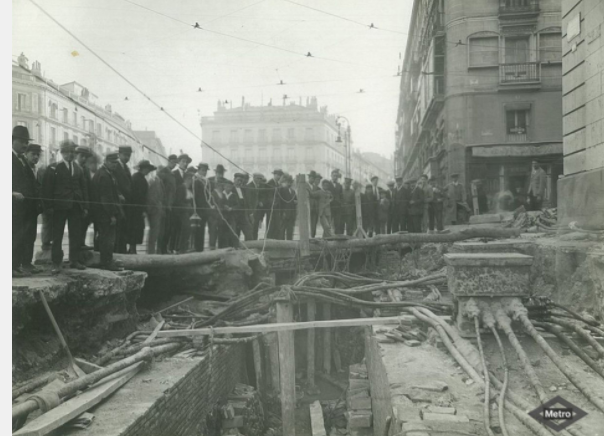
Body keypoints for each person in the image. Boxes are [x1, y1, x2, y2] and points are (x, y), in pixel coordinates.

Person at [42, 140, 89, 273]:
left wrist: (85, 206)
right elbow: (47, 189)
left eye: (73, 152)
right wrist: (49, 206)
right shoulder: (54, 168)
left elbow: (83, 188)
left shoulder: (78, 168)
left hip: (75, 206)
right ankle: (56, 262)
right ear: (62, 153)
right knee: (57, 235)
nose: (70, 155)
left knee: (76, 234)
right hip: (59, 207)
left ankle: (74, 260)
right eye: (67, 152)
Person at [91, 152, 124, 271]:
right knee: (108, 239)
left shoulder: (105, 173)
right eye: (112, 162)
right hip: (104, 214)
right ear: (106, 161)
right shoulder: (104, 175)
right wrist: (112, 215)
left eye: (116, 163)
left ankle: (105, 261)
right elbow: (105, 198)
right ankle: (107, 262)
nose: (115, 165)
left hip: (100, 213)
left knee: (104, 238)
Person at [12, 126, 33, 277]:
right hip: (12, 207)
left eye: (26, 142)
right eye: (21, 141)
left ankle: (16, 265)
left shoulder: (23, 159)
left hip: (24, 208)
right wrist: (12, 193)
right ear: (12, 141)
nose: (25, 145)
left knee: (20, 237)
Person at [20, 143, 43, 273]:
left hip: (33, 209)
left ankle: (27, 263)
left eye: (37, 155)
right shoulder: (22, 167)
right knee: (22, 236)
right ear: (26, 154)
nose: (35, 157)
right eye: (33, 154)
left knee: (31, 236)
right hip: (23, 209)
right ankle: (20, 264)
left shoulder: (35, 169)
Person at [130, 160, 156, 254]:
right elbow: (139, 196)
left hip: (137, 208)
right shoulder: (138, 178)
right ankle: (132, 249)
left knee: (138, 228)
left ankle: (133, 249)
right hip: (136, 209)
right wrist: (142, 209)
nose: (148, 171)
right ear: (143, 169)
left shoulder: (140, 178)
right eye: (147, 169)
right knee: (135, 228)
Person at [113, 145, 132, 253]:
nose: (127, 158)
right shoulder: (116, 167)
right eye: (125, 155)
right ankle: (118, 252)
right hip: (119, 203)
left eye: (128, 156)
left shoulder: (126, 167)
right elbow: (114, 184)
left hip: (126, 203)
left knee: (124, 228)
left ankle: (122, 250)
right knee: (118, 229)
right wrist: (119, 194)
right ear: (119, 154)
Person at [75, 146, 95, 250]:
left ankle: (81, 244)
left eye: (85, 157)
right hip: (76, 203)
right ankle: (76, 249)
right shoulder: (73, 168)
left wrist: (88, 205)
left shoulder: (86, 170)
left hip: (85, 203)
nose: (83, 159)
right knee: (76, 228)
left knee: (84, 225)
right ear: (76, 155)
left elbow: (88, 188)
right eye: (81, 156)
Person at [157, 155, 177, 253]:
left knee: (168, 228)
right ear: (168, 161)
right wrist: (164, 204)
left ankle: (164, 248)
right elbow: (160, 189)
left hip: (170, 205)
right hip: (164, 206)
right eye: (172, 162)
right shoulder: (163, 172)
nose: (174, 164)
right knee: (162, 229)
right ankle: (160, 249)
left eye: (175, 163)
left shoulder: (172, 174)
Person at [174, 169, 196, 253]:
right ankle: (181, 248)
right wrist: (187, 206)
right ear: (186, 179)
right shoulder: (181, 188)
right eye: (189, 179)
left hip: (188, 213)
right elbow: (178, 202)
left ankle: (185, 247)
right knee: (185, 228)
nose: (191, 181)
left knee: (188, 229)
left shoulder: (189, 190)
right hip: (181, 213)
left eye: (191, 179)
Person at [146, 166, 165, 254]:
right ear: (158, 172)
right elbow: (152, 197)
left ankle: (152, 250)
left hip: (157, 209)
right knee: (154, 231)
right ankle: (151, 251)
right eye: (162, 172)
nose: (163, 174)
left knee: (156, 231)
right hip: (154, 210)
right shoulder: (154, 181)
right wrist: (158, 207)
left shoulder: (159, 181)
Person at [192, 163, 211, 251]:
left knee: (202, 228)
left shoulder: (206, 181)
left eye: (205, 170)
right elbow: (194, 195)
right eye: (203, 170)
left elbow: (208, 196)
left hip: (204, 208)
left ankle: (200, 248)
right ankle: (195, 247)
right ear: (198, 170)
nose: (204, 172)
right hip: (197, 208)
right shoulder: (195, 179)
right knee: (195, 228)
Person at [231, 173, 252, 242]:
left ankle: (249, 246)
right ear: (234, 180)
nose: (239, 182)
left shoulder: (243, 190)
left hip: (243, 215)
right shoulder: (231, 189)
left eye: (241, 181)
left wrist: (249, 213)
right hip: (233, 215)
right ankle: (235, 248)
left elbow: (246, 202)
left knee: (248, 231)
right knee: (235, 233)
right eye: (238, 180)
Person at [208, 181, 228, 249]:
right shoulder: (212, 194)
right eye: (220, 185)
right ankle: (212, 246)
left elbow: (224, 203)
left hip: (221, 216)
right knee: (213, 231)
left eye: (222, 186)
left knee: (221, 231)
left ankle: (221, 246)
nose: (221, 187)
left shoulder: (223, 194)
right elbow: (210, 205)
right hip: (213, 216)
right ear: (216, 185)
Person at [246, 172, 265, 240]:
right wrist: (250, 213)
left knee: (256, 228)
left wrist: (260, 201)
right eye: (258, 178)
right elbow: (248, 201)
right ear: (254, 178)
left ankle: (254, 242)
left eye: (260, 179)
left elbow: (262, 197)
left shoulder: (260, 186)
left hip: (258, 211)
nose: (259, 180)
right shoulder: (249, 186)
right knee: (250, 228)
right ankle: (250, 243)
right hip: (251, 211)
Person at [278, 173, 297, 240]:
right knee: (282, 230)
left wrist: (295, 202)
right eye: (287, 181)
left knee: (290, 230)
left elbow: (295, 201)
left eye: (290, 182)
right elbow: (280, 203)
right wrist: (282, 212)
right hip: (285, 213)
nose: (289, 183)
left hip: (292, 214)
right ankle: (282, 244)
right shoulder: (282, 190)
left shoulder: (293, 191)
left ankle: (290, 243)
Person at [324, 169, 344, 234]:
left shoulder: (340, 186)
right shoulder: (328, 184)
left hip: (338, 207)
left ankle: (337, 237)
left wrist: (340, 203)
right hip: (330, 206)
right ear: (331, 176)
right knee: (328, 222)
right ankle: (326, 236)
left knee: (337, 222)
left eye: (336, 176)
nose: (335, 177)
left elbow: (341, 196)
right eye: (334, 175)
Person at [266, 169, 283, 239]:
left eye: (280, 176)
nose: (279, 177)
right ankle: (269, 239)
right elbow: (268, 195)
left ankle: (276, 239)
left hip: (277, 207)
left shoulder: (278, 184)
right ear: (274, 175)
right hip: (271, 207)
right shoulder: (270, 183)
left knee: (277, 224)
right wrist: (273, 203)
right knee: (270, 224)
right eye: (277, 175)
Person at [308, 171, 321, 238]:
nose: (312, 179)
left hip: (315, 208)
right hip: (308, 207)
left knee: (314, 223)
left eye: (314, 178)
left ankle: (313, 237)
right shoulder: (305, 185)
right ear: (309, 178)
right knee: (308, 223)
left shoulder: (315, 187)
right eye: (311, 178)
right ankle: (308, 238)